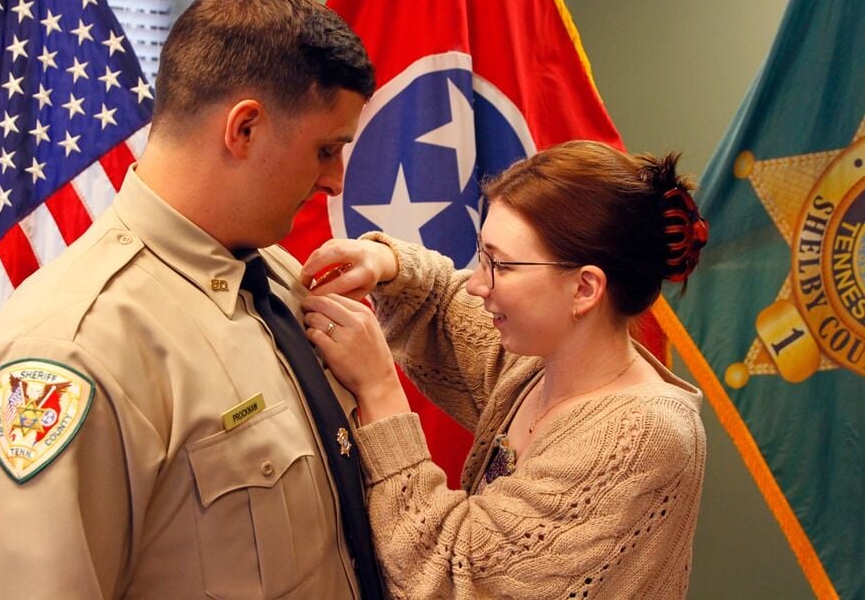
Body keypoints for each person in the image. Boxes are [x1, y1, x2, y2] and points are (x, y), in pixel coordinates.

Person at [0, 0, 380, 598]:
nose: (335, 181)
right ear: (245, 129)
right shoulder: (73, 353)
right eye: (326, 149)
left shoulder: (277, 279)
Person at [300, 140, 710, 599]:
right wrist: (385, 263)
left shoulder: (640, 436)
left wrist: (379, 391)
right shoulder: (540, 366)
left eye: (501, 265)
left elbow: (455, 578)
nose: (478, 283)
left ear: (585, 288)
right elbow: (443, 302)